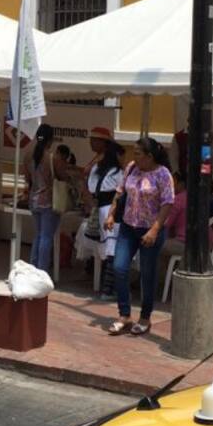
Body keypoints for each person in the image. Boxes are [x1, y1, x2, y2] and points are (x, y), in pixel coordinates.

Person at [104, 137, 175, 337]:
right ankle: (124, 314)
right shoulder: (131, 168)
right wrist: (111, 214)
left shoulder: (163, 174)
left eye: (137, 153)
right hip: (128, 226)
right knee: (119, 267)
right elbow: (119, 193)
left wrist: (155, 229)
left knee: (147, 273)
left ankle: (145, 317)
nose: (133, 156)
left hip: (150, 229)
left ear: (149, 156)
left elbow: (167, 203)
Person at [76, 128, 124, 299]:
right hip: (110, 211)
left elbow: (90, 188)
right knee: (111, 251)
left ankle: (106, 285)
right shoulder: (117, 172)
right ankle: (108, 289)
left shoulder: (97, 167)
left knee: (107, 249)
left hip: (101, 209)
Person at [25, 123, 71, 276]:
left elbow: (27, 178)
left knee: (38, 235)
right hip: (49, 201)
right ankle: (42, 271)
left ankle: (33, 267)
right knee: (46, 237)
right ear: (50, 140)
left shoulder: (28, 155)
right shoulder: (52, 158)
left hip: (33, 199)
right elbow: (64, 177)